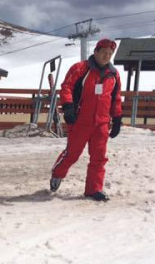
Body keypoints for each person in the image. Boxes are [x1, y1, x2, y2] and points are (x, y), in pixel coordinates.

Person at [50, 38, 123, 201]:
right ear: (95, 52)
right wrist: (68, 106)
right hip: (80, 121)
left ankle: (93, 189)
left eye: (110, 54)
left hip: (102, 123)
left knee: (99, 157)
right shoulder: (81, 68)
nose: (106, 56)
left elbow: (115, 98)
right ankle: (57, 174)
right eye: (104, 52)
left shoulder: (114, 75)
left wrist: (117, 118)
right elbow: (67, 87)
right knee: (72, 154)